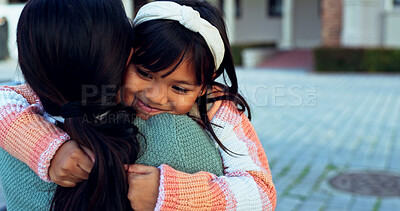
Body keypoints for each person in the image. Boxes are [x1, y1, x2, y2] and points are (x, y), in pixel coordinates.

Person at [0, 0, 277, 210]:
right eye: (144, 74)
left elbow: (262, 193)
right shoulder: (104, 84)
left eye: (179, 88)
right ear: (125, 55)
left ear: (204, 86)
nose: (155, 96)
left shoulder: (217, 107)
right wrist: (50, 148)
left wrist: (169, 193)